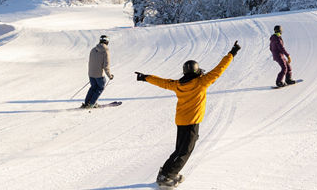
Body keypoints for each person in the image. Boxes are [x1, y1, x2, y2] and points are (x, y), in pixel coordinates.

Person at [135, 40, 241, 188]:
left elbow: (162, 82)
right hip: (192, 122)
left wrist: (145, 77)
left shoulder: (178, 84)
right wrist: (232, 53)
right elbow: (219, 69)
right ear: (197, 71)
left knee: (179, 150)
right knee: (185, 152)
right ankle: (168, 177)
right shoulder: (202, 82)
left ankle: (165, 172)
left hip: (181, 121)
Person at [82, 35, 113, 109]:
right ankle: (91, 104)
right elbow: (106, 66)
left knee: (93, 87)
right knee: (100, 87)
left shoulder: (93, 49)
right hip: (99, 75)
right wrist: (110, 76)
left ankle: (87, 103)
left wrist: (92, 72)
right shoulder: (106, 51)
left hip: (91, 73)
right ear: (107, 42)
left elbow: (90, 62)